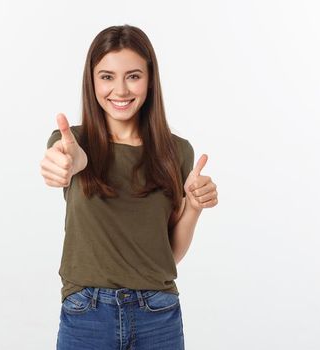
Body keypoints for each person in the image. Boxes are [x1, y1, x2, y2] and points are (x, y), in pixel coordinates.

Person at [39, 24, 219, 350]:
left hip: (158, 314)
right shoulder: (73, 143)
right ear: (91, 81)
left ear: (150, 79)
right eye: (107, 77)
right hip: (87, 313)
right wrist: (62, 163)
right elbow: (70, 159)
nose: (120, 90)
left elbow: (169, 254)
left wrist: (193, 206)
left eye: (133, 76)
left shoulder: (177, 152)